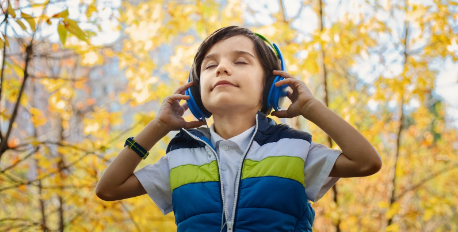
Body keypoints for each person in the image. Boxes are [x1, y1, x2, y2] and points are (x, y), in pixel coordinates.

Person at [96, 26, 382, 232]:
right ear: (196, 94)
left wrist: (310, 107)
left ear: (270, 87)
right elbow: (108, 188)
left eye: (240, 61)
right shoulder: (180, 158)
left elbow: (366, 161)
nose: (221, 69)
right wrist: (158, 127)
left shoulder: (294, 150)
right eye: (210, 66)